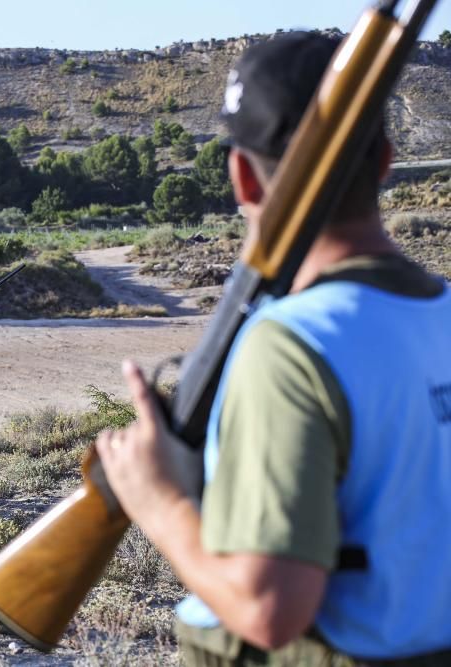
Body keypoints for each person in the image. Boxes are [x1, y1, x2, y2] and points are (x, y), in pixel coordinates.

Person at [94, 32, 451, 665]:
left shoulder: (292, 346)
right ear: (387, 161)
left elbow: (268, 610)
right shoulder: (440, 312)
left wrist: (159, 501)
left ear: (242, 179)